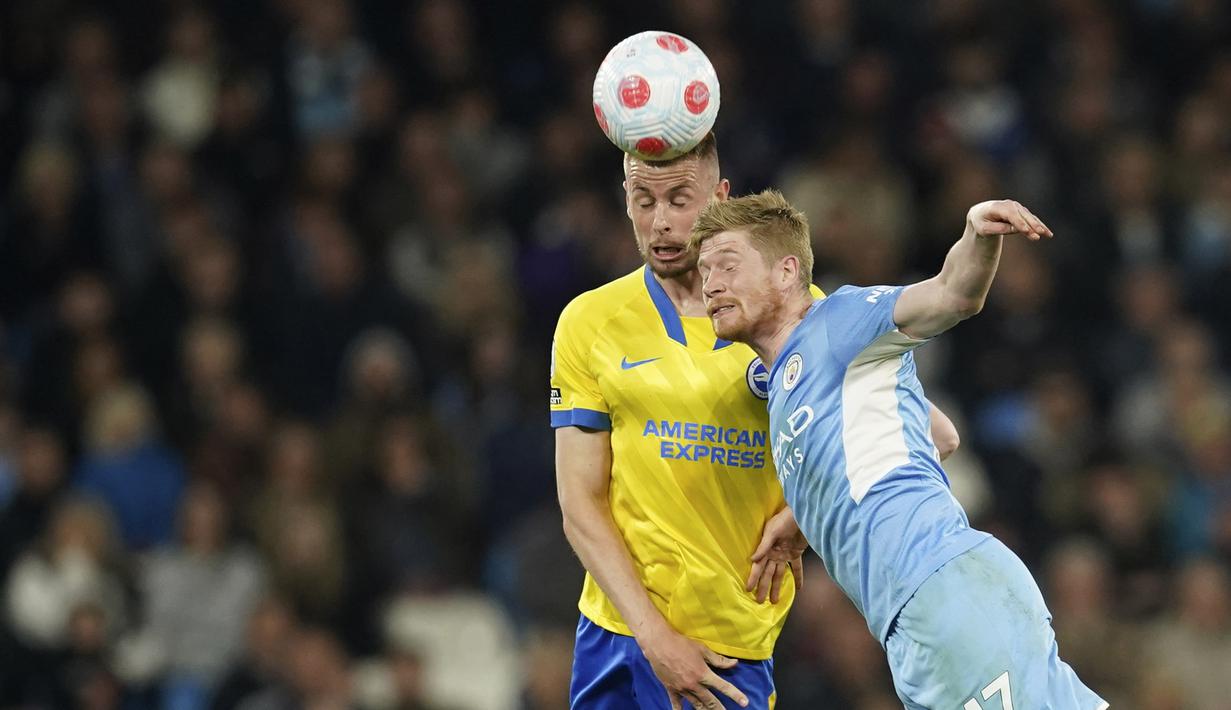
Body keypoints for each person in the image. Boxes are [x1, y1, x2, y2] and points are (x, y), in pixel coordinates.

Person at [550, 135, 960, 710]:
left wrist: (800, 518)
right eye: (644, 201)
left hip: (730, 653)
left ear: (719, 200)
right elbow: (579, 503)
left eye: (679, 200)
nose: (661, 223)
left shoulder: (790, 312)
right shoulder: (589, 321)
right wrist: (655, 636)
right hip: (617, 637)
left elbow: (931, 433)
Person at [688, 190, 1107, 709]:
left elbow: (953, 295)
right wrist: (806, 514)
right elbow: (942, 436)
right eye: (704, 270)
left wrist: (976, 232)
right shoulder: (786, 379)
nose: (712, 284)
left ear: (785, 271)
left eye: (728, 265)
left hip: (942, 589)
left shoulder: (837, 321)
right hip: (911, 624)